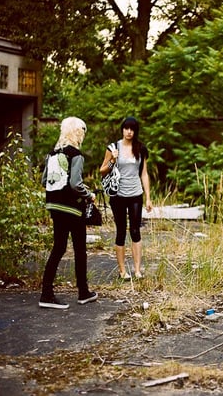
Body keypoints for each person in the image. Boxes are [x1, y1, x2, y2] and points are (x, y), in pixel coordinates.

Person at [40, 116, 98, 309]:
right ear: (78, 132)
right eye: (83, 131)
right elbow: (75, 184)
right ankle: (83, 292)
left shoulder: (52, 154)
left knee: (58, 247)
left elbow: (44, 181)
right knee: (80, 249)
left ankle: (46, 293)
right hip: (72, 208)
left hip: (54, 206)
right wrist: (89, 194)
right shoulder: (76, 155)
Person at [100, 116, 152, 280]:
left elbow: (144, 174)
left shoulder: (141, 149)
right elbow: (102, 171)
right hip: (118, 195)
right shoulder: (113, 147)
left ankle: (137, 270)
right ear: (122, 129)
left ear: (135, 131)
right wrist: (112, 160)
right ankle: (122, 271)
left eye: (132, 129)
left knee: (135, 231)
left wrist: (148, 197)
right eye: (126, 128)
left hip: (135, 194)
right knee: (121, 231)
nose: (129, 132)